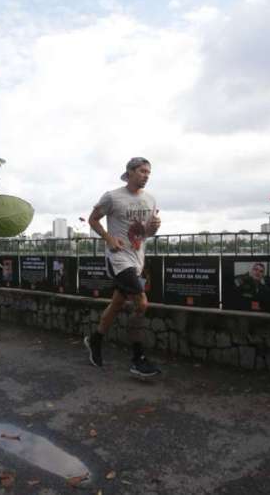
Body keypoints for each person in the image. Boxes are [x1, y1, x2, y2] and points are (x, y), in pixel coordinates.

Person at [84, 157, 162, 376]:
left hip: (136, 258)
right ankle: (138, 358)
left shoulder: (150, 200)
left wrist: (154, 228)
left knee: (118, 303)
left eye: (148, 172)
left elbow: (144, 234)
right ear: (129, 172)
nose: (146, 175)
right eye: (141, 171)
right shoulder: (113, 197)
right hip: (118, 259)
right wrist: (109, 239)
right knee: (142, 303)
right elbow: (93, 220)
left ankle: (95, 340)